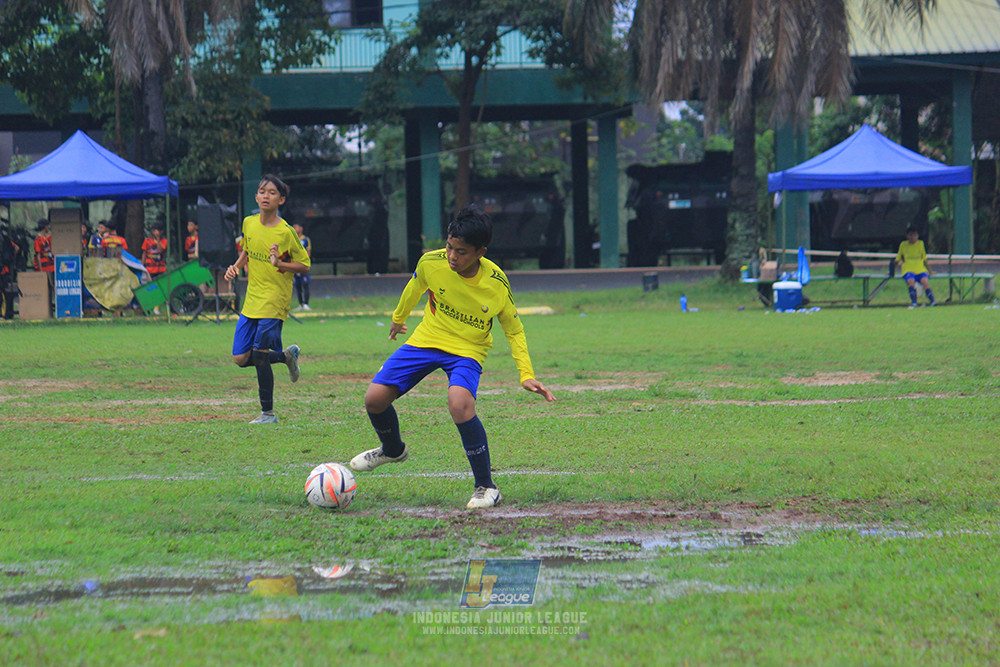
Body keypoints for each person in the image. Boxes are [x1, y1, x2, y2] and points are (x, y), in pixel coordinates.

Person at [349, 204, 556, 509]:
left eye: (461, 252)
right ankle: (392, 449)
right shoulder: (431, 262)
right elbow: (414, 286)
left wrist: (526, 374)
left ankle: (486, 487)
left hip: (468, 350)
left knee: (459, 404)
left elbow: (514, 329)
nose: (451, 256)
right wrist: (397, 318)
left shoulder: (496, 283)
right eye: (449, 247)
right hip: (426, 340)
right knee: (374, 399)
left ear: (480, 253)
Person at [223, 174, 310, 424]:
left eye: (272, 193)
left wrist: (279, 263)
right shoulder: (249, 223)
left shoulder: (286, 232)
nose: (266, 196)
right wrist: (236, 266)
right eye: (262, 191)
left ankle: (268, 413)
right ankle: (286, 357)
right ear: (256, 196)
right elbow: (247, 250)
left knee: (260, 354)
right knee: (241, 358)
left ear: (281, 200)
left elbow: (304, 265)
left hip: (275, 299)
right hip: (252, 298)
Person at [895, 225, 936, 308]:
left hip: (920, 269)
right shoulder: (903, 245)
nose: (912, 237)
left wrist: (930, 270)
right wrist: (892, 270)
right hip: (908, 269)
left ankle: (933, 301)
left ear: (917, 236)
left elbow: (924, 259)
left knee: (925, 282)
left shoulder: (920, 244)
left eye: (914, 235)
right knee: (911, 282)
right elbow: (898, 259)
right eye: (910, 235)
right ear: (907, 236)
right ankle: (914, 302)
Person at [32, 220, 54, 315]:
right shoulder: (38, 239)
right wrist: (40, 270)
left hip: (51, 266)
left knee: (51, 288)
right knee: (46, 289)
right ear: (45, 227)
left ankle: (51, 310)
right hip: (44, 268)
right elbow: (38, 255)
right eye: (48, 226)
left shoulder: (47, 238)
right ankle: (46, 311)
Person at [292, 223, 312, 310]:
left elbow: (308, 252)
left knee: (305, 284)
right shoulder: (292, 239)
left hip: (303, 265)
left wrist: (306, 263)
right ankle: (300, 304)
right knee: (297, 285)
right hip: (295, 266)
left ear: (301, 228)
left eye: (296, 227)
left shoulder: (306, 239)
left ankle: (306, 304)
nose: (294, 229)